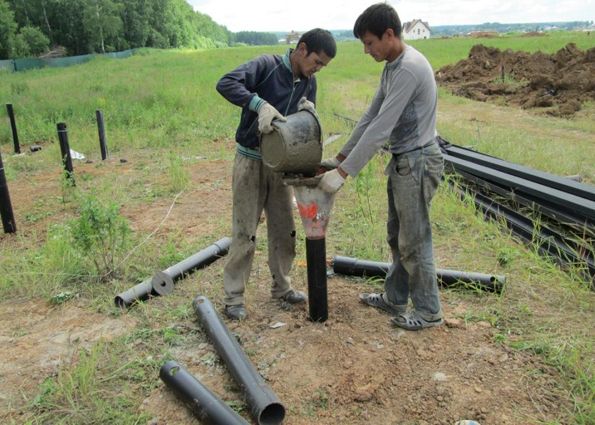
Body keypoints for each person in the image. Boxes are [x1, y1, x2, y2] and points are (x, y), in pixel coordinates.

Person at [318, 4, 444, 330]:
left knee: (414, 240)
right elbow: (369, 117)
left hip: (417, 162)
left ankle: (429, 311)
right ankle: (395, 298)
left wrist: (343, 175)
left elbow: (381, 129)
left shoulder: (408, 69)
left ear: (389, 34)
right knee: (397, 236)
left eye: (370, 42)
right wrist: (341, 158)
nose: (366, 50)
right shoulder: (392, 66)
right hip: (404, 162)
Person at [216, 29, 336, 320]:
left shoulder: (309, 83)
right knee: (245, 229)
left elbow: (305, 126)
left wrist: (310, 114)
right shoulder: (266, 67)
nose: (317, 69)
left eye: (322, 66)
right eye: (316, 62)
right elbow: (226, 83)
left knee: (284, 229)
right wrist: (258, 104)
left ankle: (282, 288)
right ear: (302, 49)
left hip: (282, 166)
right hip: (251, 161)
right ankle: (234, 298)